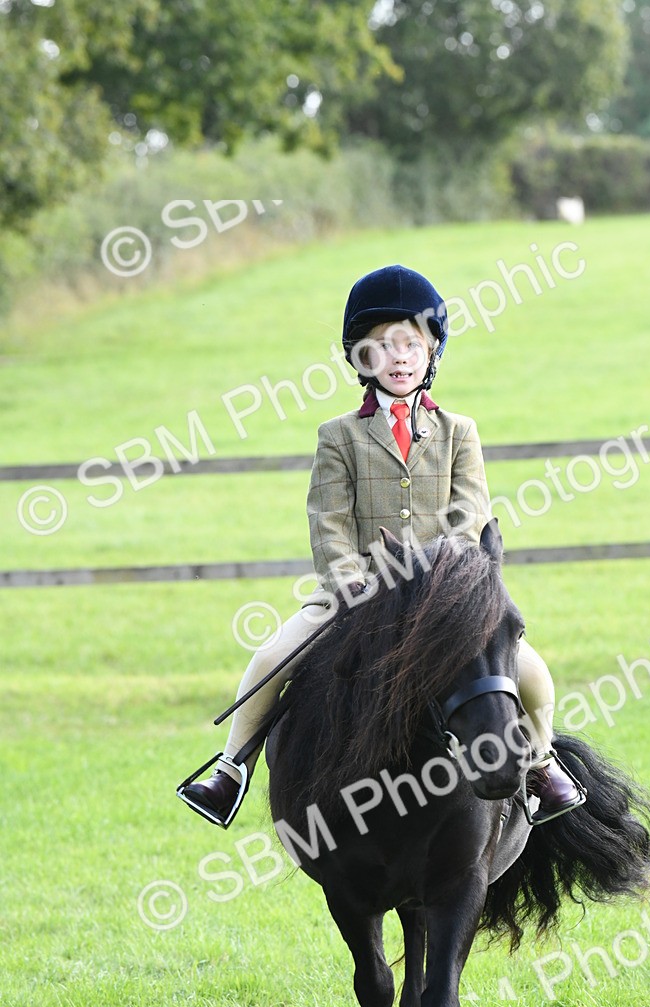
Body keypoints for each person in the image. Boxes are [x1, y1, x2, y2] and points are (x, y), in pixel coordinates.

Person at [178, 264, 585, 828]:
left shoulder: (459, 432)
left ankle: (540, 765)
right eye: (380, 347)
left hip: (446, 595)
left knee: (533, 673)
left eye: (410, 344)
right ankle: (230, 770)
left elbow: (470, 518)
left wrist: (442, 576)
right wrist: (349, 578)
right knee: (271, 657)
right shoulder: (338, 435)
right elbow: (328, 522)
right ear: (358, 360)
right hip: (359, 591)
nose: (397, 358)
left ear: (431, 351)